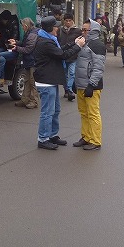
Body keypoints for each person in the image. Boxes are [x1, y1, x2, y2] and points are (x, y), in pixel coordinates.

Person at [33, 16, 80, 150]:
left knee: (55, 109)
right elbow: (62, 55)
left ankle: (52, 135)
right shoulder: (45, 42)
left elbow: (60, 50)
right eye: (56, 26)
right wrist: (78, 46)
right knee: (47, 111)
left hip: (51, 80)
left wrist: (73, 43)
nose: (58, 28)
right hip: (46, 81)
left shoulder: (49, 40)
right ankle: (43, 138)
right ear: (50, 28)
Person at [73, 20, 106, 150]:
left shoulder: (97, 45)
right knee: (84, 112)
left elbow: (98, 68)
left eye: (85, 30)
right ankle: (86, 137)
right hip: (81, 85)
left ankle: (95, 140)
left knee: (93, 113)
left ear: (93, 31)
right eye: (82, 29)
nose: (83, 32)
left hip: (91, 86)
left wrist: (91, 85)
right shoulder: (84, 43)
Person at [10, 17, 39, 109]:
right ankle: (25, 99)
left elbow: (28, 49)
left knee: (32, 82)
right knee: (27, 81)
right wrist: (17, 43)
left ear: (26, 26)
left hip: (32, 61)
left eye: (22, 26)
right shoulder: (31, 33)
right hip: (29, 61)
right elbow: (25, 44)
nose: (22, 28)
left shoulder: (32, 35)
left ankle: (34, 101)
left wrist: (16, 48)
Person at [58, 14, 82, 100]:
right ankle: (66, 90)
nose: (68, 22)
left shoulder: (78, 31)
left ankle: (69, 89)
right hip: (63, 55)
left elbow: (81, 41)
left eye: (69, 20)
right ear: (64, 21)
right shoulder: (60, 30)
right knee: (65, 74)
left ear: (72, 21)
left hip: (74, 55)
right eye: (66, 20)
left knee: (72, 73)